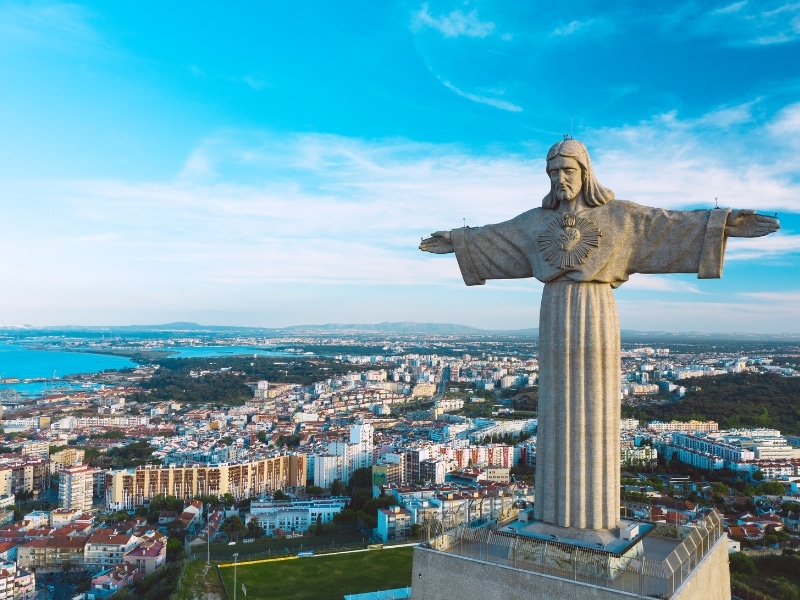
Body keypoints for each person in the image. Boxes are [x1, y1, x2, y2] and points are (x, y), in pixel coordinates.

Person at [420, 139, 779, 532]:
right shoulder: (536, 222)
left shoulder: (619, 216)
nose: (559, 178)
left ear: (585, 172)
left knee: (594, 404)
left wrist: (721, 225)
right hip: (554, 312)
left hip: (596, 311)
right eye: (553, 172)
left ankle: (592, 527)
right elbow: (496, 237)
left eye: (567, 170)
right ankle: (554, 524)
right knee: (557, 407)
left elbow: (668, 225)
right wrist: (458, 241)